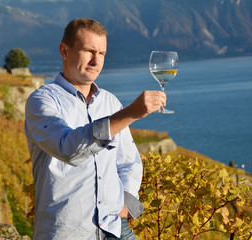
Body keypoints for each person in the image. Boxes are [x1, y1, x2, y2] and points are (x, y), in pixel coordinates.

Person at [24, 18, 166, 240]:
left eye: (102, 53)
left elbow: (128, 162)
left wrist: (126, 206)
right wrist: (131, 113)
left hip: (116, 228)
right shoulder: (42, 101)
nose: (95, 61)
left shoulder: (110, 102)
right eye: (89, 51)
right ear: (64, 51)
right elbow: (67, 148)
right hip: (67, 233)